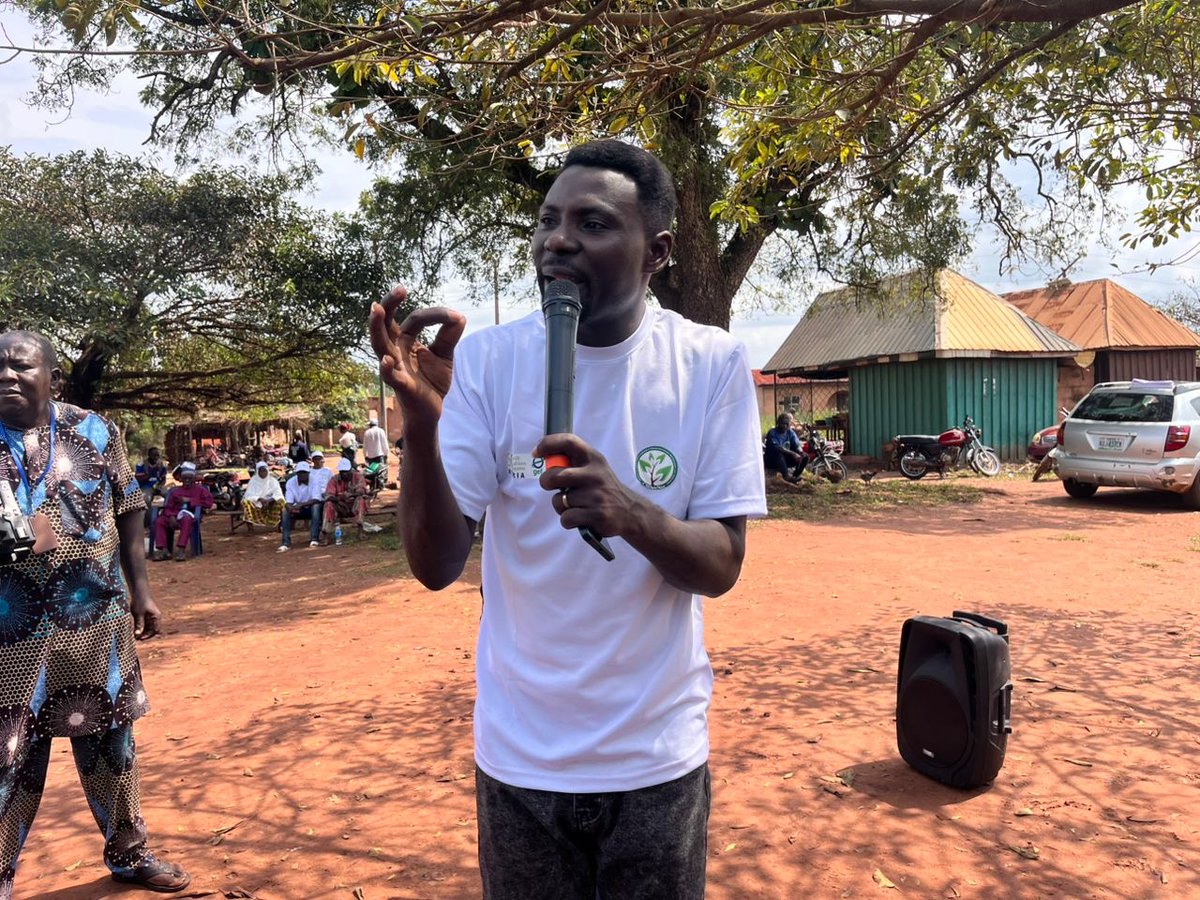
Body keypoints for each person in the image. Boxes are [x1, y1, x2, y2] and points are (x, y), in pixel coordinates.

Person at [369, 139, 766, 899]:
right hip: (521, 758)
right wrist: (420, 419)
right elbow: (435, 564)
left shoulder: (710, 363)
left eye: (591, 222)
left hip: (654, 758)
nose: (558, 239)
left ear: (656, 253)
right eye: (549, 220)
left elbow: (721, 564)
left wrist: (631, 511)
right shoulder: (487, 360)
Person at [0, 330, 190, 896]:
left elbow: (130, 510)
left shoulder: (96, 429)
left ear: (52, 378)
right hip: (8, 635)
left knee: (113, 750)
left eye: (20, 366)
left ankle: (130, 856)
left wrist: (143, 591)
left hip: (95, 624)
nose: (7, 376)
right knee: (8, 757)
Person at [151, 462, 214, 562]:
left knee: (186, 520)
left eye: (190, 478)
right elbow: (168, 506)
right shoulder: (175, 491)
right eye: (185, 478)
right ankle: (163, 550)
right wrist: (171, 516)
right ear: (181, 479)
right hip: (173, 515)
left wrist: (191, 501)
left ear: (194, 479)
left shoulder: (200, 490)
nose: (187, 480)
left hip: (189, 515)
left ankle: (181, 550)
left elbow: (209, 502)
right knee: (159, 521)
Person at [321, 457, 370, 541]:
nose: (343, 474)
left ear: (350, 470)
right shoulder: (334, 479)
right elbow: (329, 495)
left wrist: (351, 495)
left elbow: (361, 491)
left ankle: (361, 531)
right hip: (340, 505)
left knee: (361, 500)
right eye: (341, 472)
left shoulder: (358, 477)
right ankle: (326, 534)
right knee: (328, 504)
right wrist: (339, 498)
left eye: (345, 472)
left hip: (354, 504)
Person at [279, 460, 322, 551]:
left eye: (304, 473)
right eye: (300, 473)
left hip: (310, 506)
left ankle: (314, 538)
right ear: (297, 473)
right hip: (297, 508)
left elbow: (316, 499)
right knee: (285, 511)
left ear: (308, 473)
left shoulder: (315, 480)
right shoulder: (290, 482)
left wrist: (301, 505)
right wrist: (290, 508)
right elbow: (288, 501)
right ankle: (285, 542)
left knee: (316, 507)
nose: (302, 475)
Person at [241, 460, 284, 529]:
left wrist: (269, 500)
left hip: (270, 504)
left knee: (281, 501)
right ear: (258, 472)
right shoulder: (253, 481)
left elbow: (278, 494)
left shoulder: (273, 480)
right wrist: (260, 499)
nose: (263, 473)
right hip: (256, 504)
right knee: (245, 502)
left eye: (264, 471)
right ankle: (250, 528)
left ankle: (280, 526)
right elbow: (248, 495)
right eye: (261, 471)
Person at [764, 412, 805, 482]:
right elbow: (777, 448)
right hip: (772, 460)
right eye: (783, 423)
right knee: (778, 454)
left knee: (805, 456)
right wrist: (793, 453)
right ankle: (786, 477)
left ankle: (795, 475)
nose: (785, 426)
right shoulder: (772, 433)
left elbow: (796, 444)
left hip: (784, 460)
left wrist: (800, 452)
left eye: (787, 424)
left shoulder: (790, 432)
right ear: (778, 423)